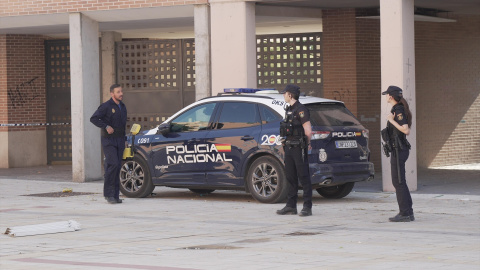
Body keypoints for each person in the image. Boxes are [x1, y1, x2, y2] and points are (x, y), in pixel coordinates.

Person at [276, 84, 313, 217]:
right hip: (289, 146)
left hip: (299, 147)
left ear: (290, 95)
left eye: (284, 93)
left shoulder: (301, 110)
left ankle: (307, 207)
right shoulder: (289, 109)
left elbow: (308, 131)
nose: (283, 95)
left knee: (303, 176)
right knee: (290, 176)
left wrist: (307, 144)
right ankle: (291, 206)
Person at [90, 84, 127, 204]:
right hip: (109, 141)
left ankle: (115, 195)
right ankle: (108, 194)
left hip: (120, 140)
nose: (121, 93)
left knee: (117, 167)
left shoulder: (122, 106)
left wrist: (125, 139)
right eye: (118, 92)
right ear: (112, 94)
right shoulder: (106, 106)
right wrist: (106, 126)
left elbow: (122, 125)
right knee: (113, 164)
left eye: (121, 91)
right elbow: (94, 118)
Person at [382, 85, 414, 222]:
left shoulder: (398, 109)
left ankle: (405, 213)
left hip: (399, 149)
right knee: (400, 181)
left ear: (391, 96)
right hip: (398, 149)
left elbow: (406, 130)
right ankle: (407, 212)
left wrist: (391, 120)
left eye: (387, 94)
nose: (386, 97)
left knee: (398, 182)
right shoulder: (397, 108)